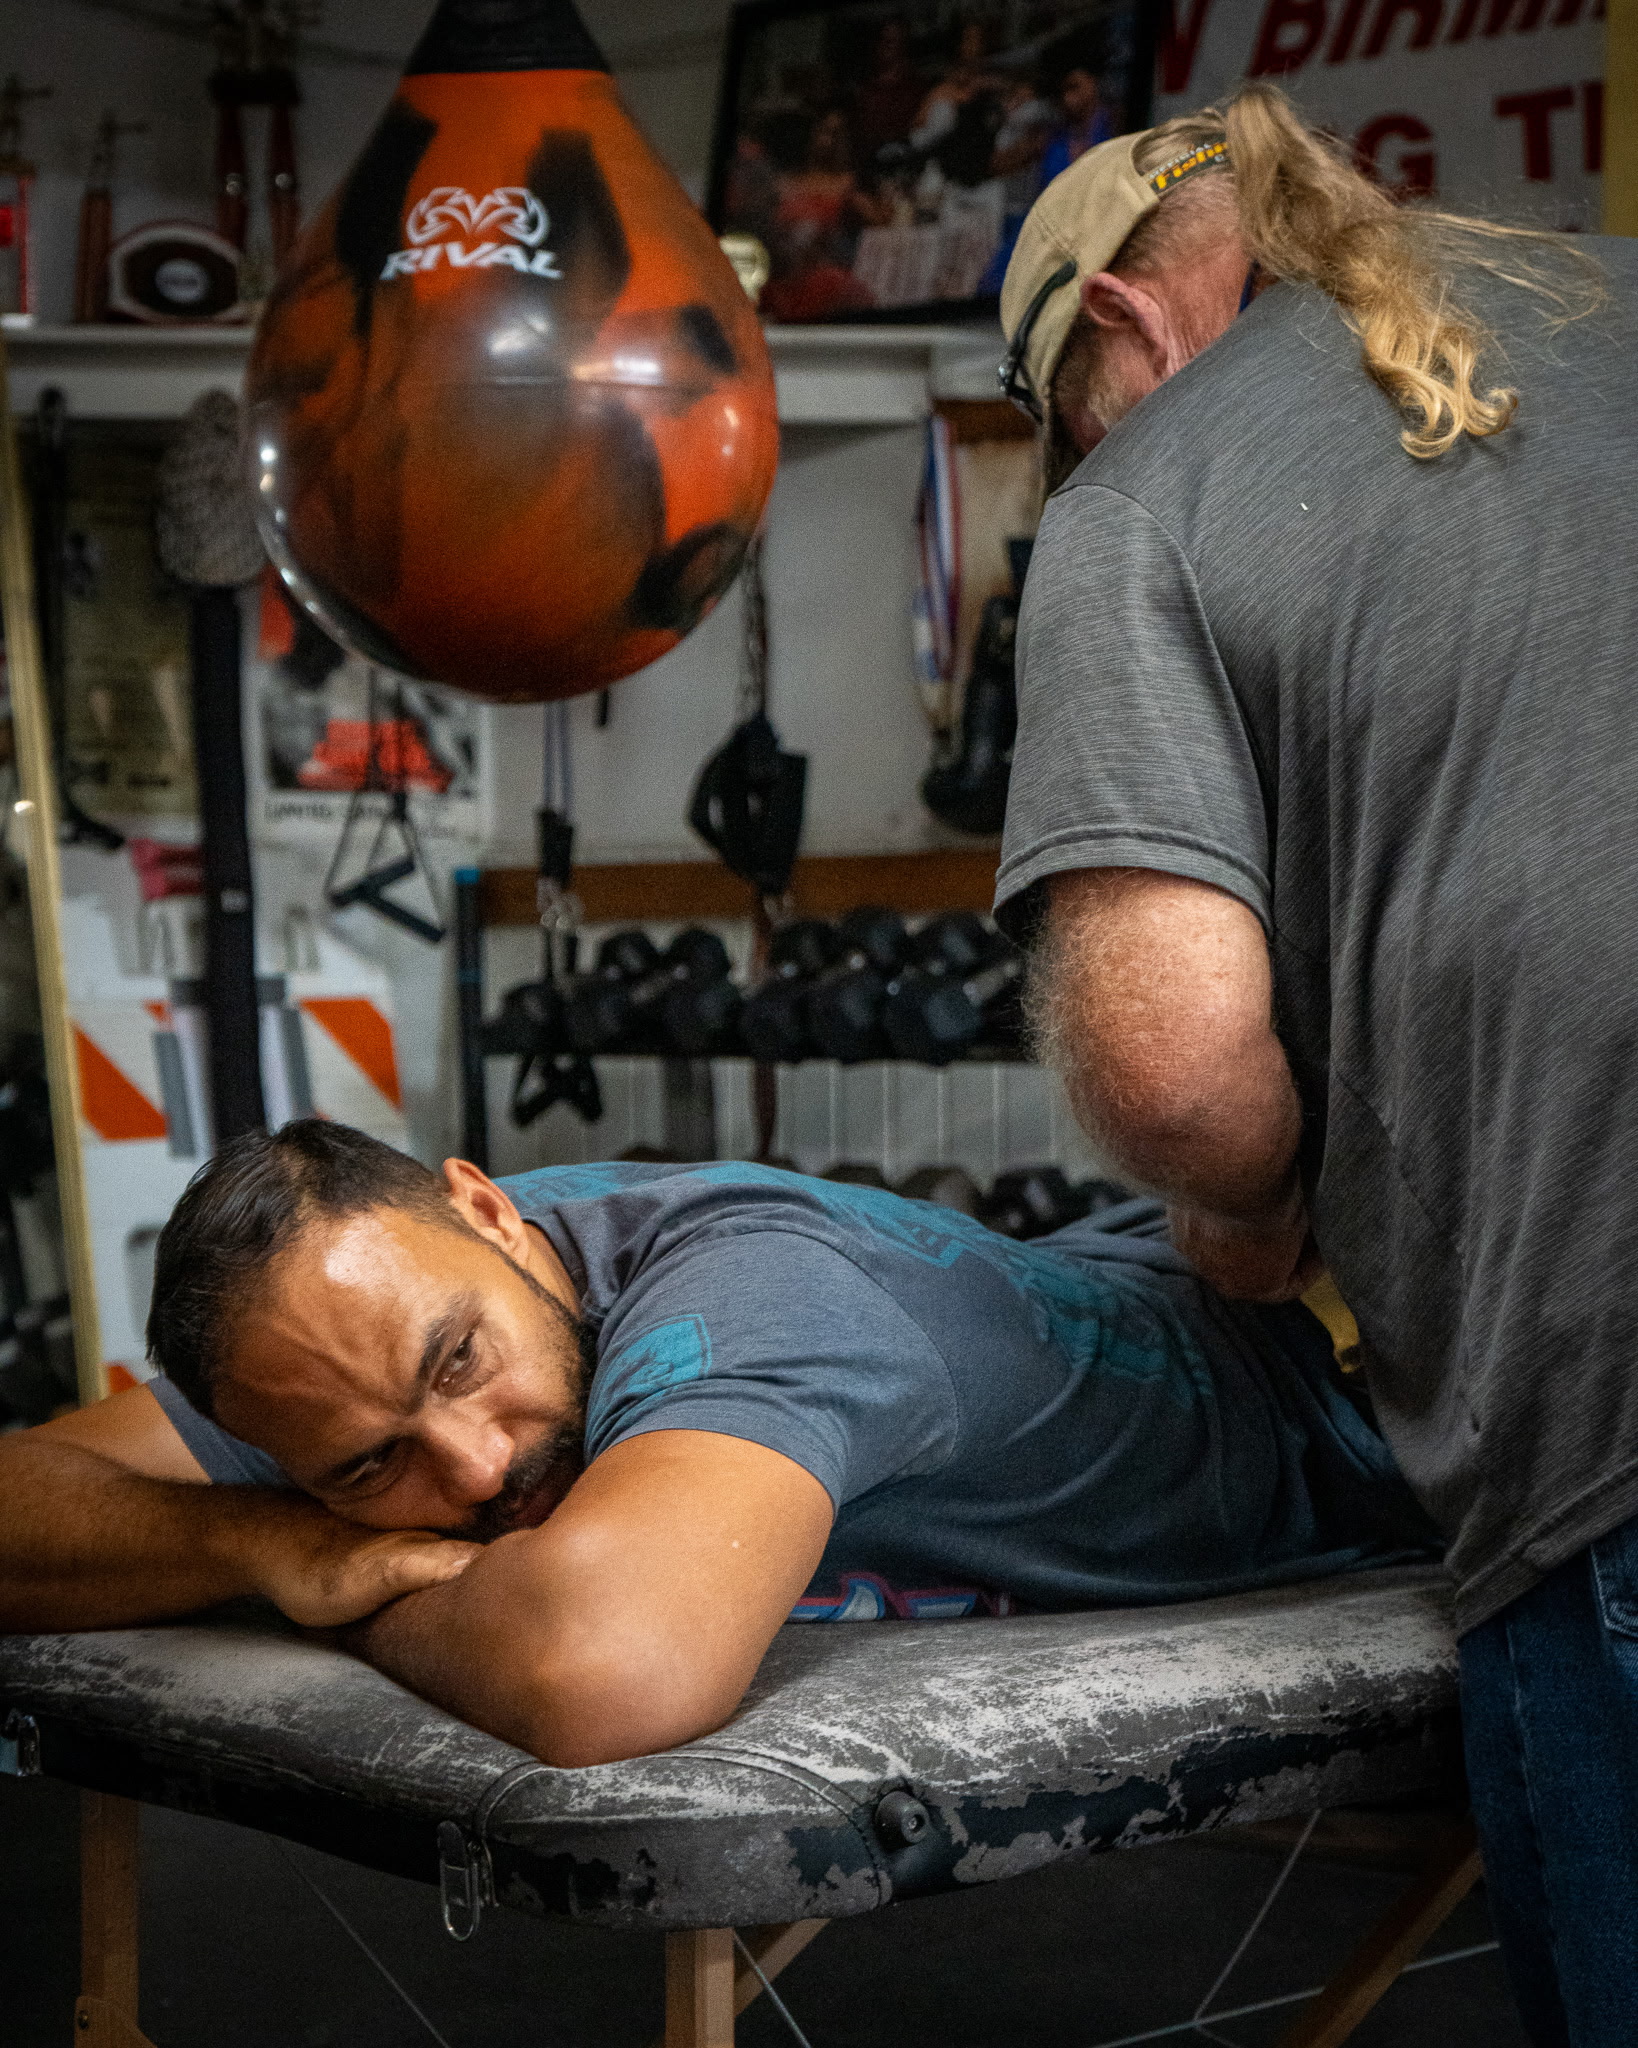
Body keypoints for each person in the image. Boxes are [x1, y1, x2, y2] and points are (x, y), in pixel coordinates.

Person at [993, 81, 1636, 2046]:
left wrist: (1252, 1202)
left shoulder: (1141, 496)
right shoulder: (1616, 297)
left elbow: (1180, 1069)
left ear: (1116, 321)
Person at [0, 1119, 1429, 1768]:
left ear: (491, 1211)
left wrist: (359, 1572)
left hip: (1352, 1386)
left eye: (460, 1364)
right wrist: (276, 1544)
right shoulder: (339, 1337)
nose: (477, 1471)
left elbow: (600, 1667)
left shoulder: (748, 1286)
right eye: (370, 1465)